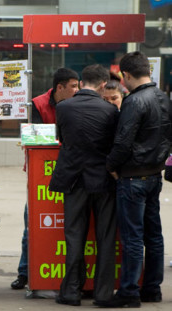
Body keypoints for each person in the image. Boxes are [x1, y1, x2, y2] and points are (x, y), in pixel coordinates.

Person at [103, 51, 172, 308]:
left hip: (132, 177)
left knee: (132, 237)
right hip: (155, 174)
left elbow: (123, 141)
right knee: (154, 235)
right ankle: (152, 289)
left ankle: (129, 291)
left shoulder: (134, 102)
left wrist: (111, 165)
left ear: (127, 75)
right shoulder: (164, 98)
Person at [49, 64, 118, 306]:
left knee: (74, 236)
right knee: (106, 237)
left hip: (73, 180)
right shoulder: (110, 111)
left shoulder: (63, 107)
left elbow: (63, 140)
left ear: (82, 81)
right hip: (103, 180)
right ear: (102, 85)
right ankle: (103, 293)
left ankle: (70, 292)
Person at [11, 68, 79, 291]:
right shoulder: (37, 104)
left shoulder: (78, 103)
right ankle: (25, 272)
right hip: (41, 173)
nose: (78, 90)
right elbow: (35, 137)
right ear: (60, 87)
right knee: (31, 224)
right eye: (74, 86)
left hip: (71, 171)